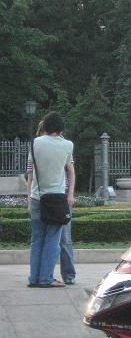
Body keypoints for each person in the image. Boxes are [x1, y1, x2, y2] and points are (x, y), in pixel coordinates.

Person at [27, 112, 75, 288]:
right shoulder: (68, 145)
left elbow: (30, 172)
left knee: (36, 240)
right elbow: (69, 169)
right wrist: (70, 195)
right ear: (61, 129)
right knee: (53, 241)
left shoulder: (34, 143)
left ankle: (34, 278)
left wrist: (28, 198)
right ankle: (46, 278)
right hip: (57, 199)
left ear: (45, 127)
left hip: (36, 197)